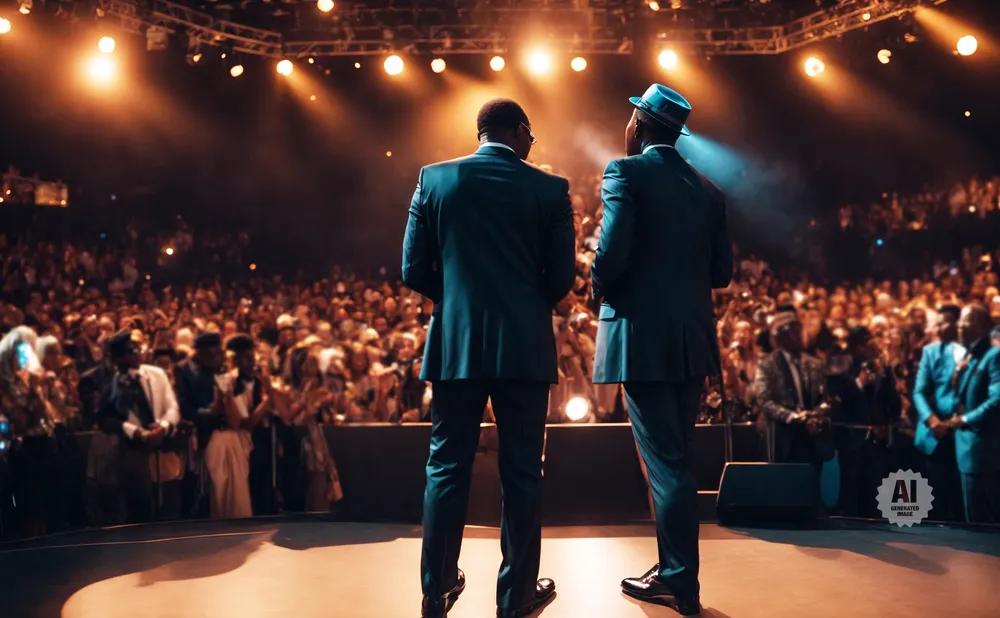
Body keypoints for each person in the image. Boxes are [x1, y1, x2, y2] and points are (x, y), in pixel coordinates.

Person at [402, 98, 575, 618]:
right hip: (523, 345)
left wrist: (455, 298)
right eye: (532, 137)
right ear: (520, 132)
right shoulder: (550, 188)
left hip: (455, 342)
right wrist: (522, 303)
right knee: (523, 472)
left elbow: (412, 269)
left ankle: (436, 589)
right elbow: (563, 279)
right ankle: (517, 595)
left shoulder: (434, 179)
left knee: (445, 466)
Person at [590, 84, 732, 616]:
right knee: (675, 458)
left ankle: (679, 581)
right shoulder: (709, 190)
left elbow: (610, 257)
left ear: (640, 124)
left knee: (665, 464)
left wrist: (596, 278)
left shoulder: (624, 173)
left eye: (631, 116)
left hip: (641, 339)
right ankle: (672, 567)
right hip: (691, 342)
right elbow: (722, 274)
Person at [101, 329, 182, 521]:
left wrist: (163, 426)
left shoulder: (157, 374)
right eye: (130, 352)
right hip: (132, 452)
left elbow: (172, 407)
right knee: (141, 507)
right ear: (118, 358)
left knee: (170, 504)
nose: (136, 355)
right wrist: (136, 433)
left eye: (137, 350)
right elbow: (108, 419)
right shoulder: (109, 382)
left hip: (163, 446)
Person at [828, 326, 901, 518]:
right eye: (868, 345)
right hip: (851, 439)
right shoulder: (839, 363)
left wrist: (888, 374)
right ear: (857, 348)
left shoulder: (882, 367)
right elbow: (836, 397)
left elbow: (893, 402)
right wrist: (859, 383)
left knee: (874, 493)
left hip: (877, 440)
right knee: (850, 491)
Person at [204, 334, 279, 519]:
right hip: (241, 440)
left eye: (252, 357)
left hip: (263, 440)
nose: (251, 362)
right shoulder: (233, 383)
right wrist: (268, 401)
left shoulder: (260, 380)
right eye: (245, 357)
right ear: (236, 360)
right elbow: (246, 421)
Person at [755, 310, 833, 473]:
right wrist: (793, 417)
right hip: (783, 439)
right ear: (781, 337)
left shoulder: (814, 363)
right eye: (794, 331)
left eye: (799, 330)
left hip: (811, 437)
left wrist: (815, 416)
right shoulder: (767, 364)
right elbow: (765, 401)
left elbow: (824, 398)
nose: (799, 335)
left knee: (812, 490)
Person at [912, 305, 966, 522]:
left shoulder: (974, 352)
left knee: (964, 502)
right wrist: (932, 420)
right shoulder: (931, 351)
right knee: (937, 499)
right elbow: (919, 392)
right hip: (936, 433)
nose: (938, 328)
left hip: (965, 433)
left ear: (957, 324)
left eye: (944, 322)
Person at [947, 304, 1000, 523]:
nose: (959, 325)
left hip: (983, 451)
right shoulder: (969, 355)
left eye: (966, 320)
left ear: (982, 326)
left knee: (984, 526)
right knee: (974, 524)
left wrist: (965, 419)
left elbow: (997, 399)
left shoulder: (994, 355)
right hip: (968, 451)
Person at [175, 331, 226, 518]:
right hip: (193, 433)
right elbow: (182, 405)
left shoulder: (216, 368)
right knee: (192, 482)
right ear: (200, 352)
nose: (216, 357)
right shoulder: (182, 370)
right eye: (212, 353)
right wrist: (208, 412)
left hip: (215, 433)